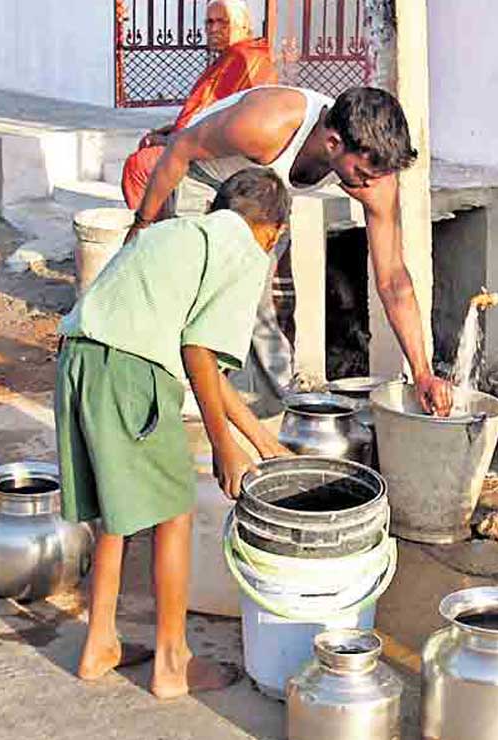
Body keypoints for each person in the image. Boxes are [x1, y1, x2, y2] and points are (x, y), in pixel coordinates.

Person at [55, 168, 293, 699]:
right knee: (175, 511)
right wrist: (226, 450)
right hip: (129, 370)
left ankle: (100, 644)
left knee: (118, 509)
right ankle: (171, 662)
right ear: (271, 232)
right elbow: (200, 353)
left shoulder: (175, 233)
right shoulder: (245, 250)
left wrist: (262, 440)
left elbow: (202, 359)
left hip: (79, 359)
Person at [127, 84, 455, 416]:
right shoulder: (266, 124)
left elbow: (393, 280)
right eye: (363, 174)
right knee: (196, 307)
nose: (370, 185)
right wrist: (142, 225)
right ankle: (178, 407)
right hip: (203, 182)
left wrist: (422, 372)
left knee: (265, 312)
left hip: (266, 200)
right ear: (333, 144)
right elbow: (181, 149)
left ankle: (273, 415)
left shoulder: (375, 174)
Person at [120, 0, 277, 212]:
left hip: (230, 155)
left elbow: (218, 121)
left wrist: (172, 139)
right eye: (209, 22)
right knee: (150, 148)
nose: (213, 29)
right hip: (219, 142)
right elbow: (209, 111)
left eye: (222, 22)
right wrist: (172, 132)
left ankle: (149, 231)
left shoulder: (242, 58)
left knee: (141, 165)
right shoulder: (239, 54)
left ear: (243, 25)